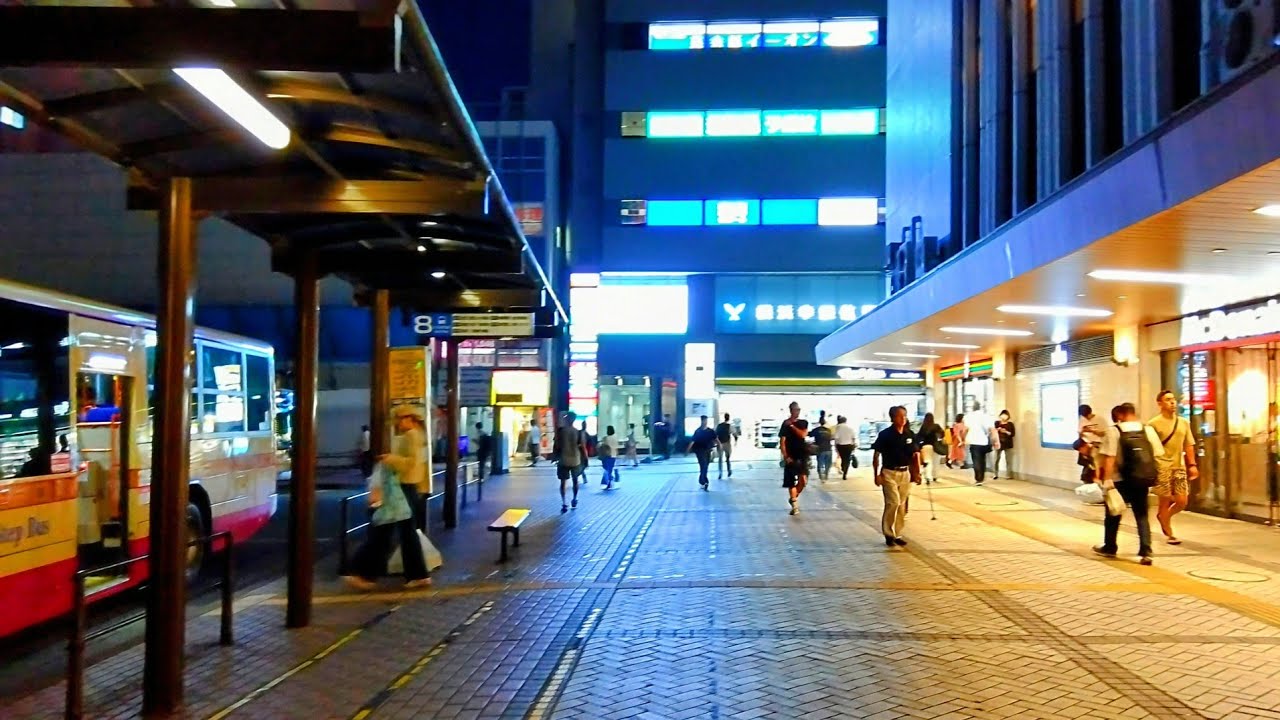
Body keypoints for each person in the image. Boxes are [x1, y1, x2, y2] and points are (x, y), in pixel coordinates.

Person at [345, 405, 431, 591]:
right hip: (405, 490)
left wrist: (390, 459)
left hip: (401, 490)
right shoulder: (416, 436)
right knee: (403, 534)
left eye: (402, 418)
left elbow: (411, 463)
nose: (399, 422)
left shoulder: (411, 436)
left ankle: (365, 574)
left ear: (411, 419)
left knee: (382, 530)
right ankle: (417, 575)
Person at [1094, 402, 1163, 565]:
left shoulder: (1114, 431)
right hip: (1141, 479)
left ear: (1120, 415)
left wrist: (1107, 480)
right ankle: (1146, 551)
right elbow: (1158, 454)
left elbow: (1109, 457)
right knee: (1142, 515)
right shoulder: (1148, 430)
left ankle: (1110, 547)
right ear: (1134, 413)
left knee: (1113, 514)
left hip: (1119, 480)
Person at [1148, 390, 1198, 545]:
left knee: (1182, 500)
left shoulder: (1183, 422)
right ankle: (1169, 533)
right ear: (1160, 403)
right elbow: (1150, 446)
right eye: (1168, 399)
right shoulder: (1153, 424)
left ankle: (1165, 517)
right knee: (1165, 499)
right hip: (1162, 466)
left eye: (1173, 399)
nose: (1172, 402)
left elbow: (1188, 444)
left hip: (1179, 466)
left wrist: (1192, 464)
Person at [873, 406, 922, 547]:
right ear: (893, 418)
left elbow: (915, 454)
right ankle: (888, 533)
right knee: (893, 502)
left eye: (905, 416)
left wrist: (916, 473)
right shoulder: (885, 435)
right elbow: (876, 455)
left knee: (902, 505)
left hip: (905, 473)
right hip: (889, 472)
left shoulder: (909, 434)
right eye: (900, 416)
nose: (903, 419)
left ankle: (897, 533)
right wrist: (876, 474)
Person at [554, 412, 589, 513]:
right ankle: (574, 499)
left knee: (563, 482)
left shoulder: (561, 432)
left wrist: (554, 456)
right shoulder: (578, 432)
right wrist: (586, 459)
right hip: (575, 460)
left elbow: (556, 445)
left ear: (567, 419)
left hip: (563, 459)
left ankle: (564, 503)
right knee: (575, 481)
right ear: (574, 420)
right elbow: (583, 447)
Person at [781, 418, 811, 515]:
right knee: (791, 482)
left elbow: (803, 434)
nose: (796, 411)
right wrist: (785, 456)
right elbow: (782, 440)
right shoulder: (785, 424)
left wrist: (792, 426)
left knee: (803, 480)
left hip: (802, 456)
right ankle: (794, 504)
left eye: (798, 410)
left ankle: (794, 497)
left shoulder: (803, 422)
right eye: (795, 409)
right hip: (791, 457)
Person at [688, 415, 719, 490]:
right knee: (703, 464)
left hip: (708, 450)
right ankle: (705, 480)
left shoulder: (710, 431)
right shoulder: (698, 431)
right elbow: (693, 441)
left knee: (705, 465)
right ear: (701, 421)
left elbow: (716, 439)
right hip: (699, 451)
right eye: (703, 420)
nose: (705, 422)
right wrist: (688, 449)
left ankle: (701, 479)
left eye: (706, 420)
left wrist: (719, 445)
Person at [966, 403, 992, 484]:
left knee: (976, 460)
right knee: (982, 460)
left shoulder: (968, 416)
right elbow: (990, 429)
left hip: (974, 441)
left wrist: (964, 439)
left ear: (973, 408)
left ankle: (978, 478)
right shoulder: (984, 416)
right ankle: (981, 477)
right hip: (984, 441)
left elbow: (966, 429)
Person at [916, 413, 944, 484]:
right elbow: (942, 434)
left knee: (927, 462)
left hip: (926, 446)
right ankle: (935, 476)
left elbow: (919, 437)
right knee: (935, 462)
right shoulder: (936, 426)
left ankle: (928, 477)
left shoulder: (924, 427)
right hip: (935, 446)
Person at [1078, 404, 1104, 474]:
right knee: (1087, 465)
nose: (1086, 418)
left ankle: (1096, 479)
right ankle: (1090, 479)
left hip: (1096, 445)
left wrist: (1092, 431)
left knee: (1096, 463)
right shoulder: (1082, 420)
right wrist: (1082, 432)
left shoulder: (1100, 419)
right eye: (1084, 416)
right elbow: (1080, 434)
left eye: (1087, 416)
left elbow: (1103, 434)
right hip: (1086, 445)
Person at [992, 411, 1015, 480]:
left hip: (1008, 444)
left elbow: (1013, 434)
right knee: (996, 459)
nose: (1004, 416)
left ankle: (1008, 475)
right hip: (998, 443)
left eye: (1006, 415)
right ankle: (995, 474)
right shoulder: (997, 423)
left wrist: (1006, 431)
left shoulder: (1010, 424)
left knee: (1008, 460)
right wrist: (997, 429)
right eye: (1003, 415)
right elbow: (993, 431)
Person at [810, 416, 834, 481]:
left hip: (820, 449)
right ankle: (826, 475)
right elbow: (831, 437)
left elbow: (809, 434)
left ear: (819, 422)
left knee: (820, 464)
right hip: (829, 449)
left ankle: (821, 477)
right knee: (828, 464)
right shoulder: (828, 430)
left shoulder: (816, 430)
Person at [833, 415, 857, 479]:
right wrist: (854, 445)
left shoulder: (838, 427)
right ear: (846, 421)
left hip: (840, 446)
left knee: (843, 458)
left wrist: (835, 447)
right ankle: (845, 472)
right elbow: (853, 438)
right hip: (849, 445)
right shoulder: (850, 427)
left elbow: (836, 438)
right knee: (847, 459)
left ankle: (843, 468)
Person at [599, 425, 620, 489]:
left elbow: (602, 445)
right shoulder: (615, 438)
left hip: (607, 455)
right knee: (610, 469)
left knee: (607, 470)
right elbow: (616, 447)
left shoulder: (606, 438)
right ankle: (610, 483)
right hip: (614, 455)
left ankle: (610, 481)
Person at [715, 412, 735, 478]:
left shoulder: (719, 425)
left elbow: (715, 435)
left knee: (720, 459)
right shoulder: (730, 426)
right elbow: (734, 434)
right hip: (727, 443)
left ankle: (720, 473)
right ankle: (729, 471)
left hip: (720, 443)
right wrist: (736, 441)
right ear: (728, 418)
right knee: (727, 458)